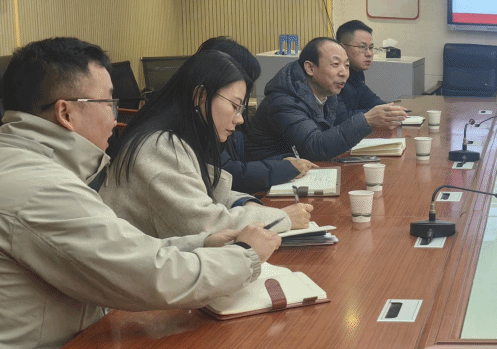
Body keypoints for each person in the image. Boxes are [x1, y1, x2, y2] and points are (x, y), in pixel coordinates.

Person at [0, 37, 281, 349]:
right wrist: (246, 257)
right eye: (108, 102)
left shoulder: (33, 167)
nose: (115, 116)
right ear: (66, 112)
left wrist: (202, 242)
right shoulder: (37, 188)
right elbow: (150, 277)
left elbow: (122, 246)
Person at [102, 50, 312, 237]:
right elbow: (203, 224)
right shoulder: (159, 147)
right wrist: (282, 218)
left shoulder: (180, 136)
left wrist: (244, 202)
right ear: (201, 96)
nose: (240, 119)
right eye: (235, 106)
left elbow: (204, 191)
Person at [244, 37, 406, 162]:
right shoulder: (284, 101)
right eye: (335, 64)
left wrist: (376, 117)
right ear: (310, 68)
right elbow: (314, 147)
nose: (344, 73)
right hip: (269, 183)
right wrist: (367, 120)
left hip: (303, 172)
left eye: (346, 65)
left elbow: (342, 120)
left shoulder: (327, 92)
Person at [197, 36, 316, 194]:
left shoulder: (228, 117)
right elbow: (228, 174)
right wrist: (285, 168)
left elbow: (244, 160)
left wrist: (282, 161)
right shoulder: (198, 127)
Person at [335, 19, 389, 118]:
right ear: (342, 48)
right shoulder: (334, 76)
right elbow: (340, 118)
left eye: (371, 48)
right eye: (362, 47)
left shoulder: (357, 73)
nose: (369, 54)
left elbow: (371, 100)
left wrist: (391, 109)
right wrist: (376, 113)